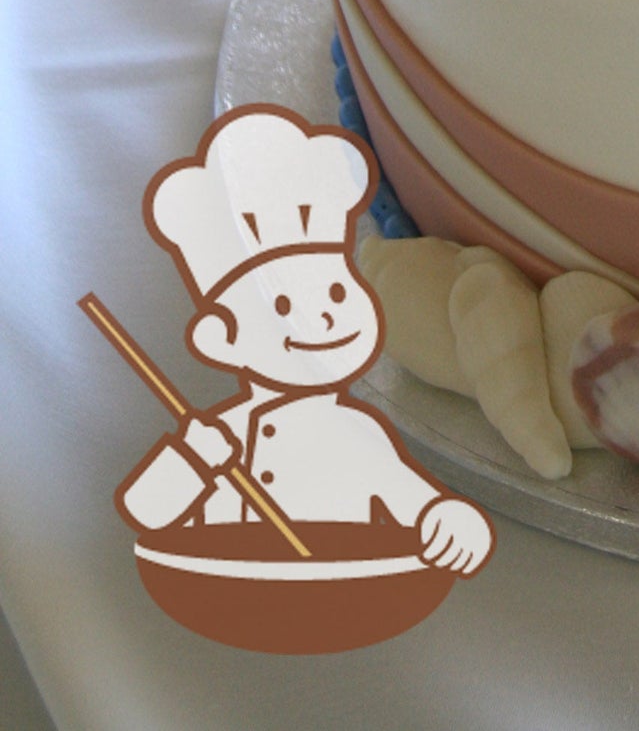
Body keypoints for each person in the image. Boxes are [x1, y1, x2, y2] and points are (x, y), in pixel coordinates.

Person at [115, 104, 492, 576]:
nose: (325, 318)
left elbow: (421, 508)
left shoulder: (361, 437)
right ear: (220, 340)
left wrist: (452, 523)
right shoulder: (222, 436)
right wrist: (193, 459)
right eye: (283, 306)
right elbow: (147, 511)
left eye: (336, 292)